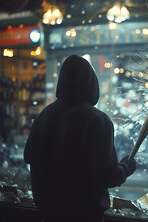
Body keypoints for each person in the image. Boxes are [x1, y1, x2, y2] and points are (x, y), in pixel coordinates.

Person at [24, 55, 136, 222]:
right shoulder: (97, 120)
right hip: (84, 216)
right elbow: (107, 176)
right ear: (92, 84)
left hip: (48, 215)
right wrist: (126, 166)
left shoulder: (45, 115)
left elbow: (28, 156)